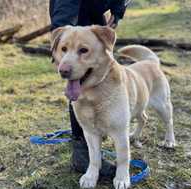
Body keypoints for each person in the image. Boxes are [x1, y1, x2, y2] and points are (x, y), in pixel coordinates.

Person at [49, 0, 130, 178]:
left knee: (101, 69)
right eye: (63, 50)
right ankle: (81, 147)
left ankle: (108, 123)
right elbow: (65, 6)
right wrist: (61, 33)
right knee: (78, 78)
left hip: (96, 11)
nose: (63, 67)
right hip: (70, 12)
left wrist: (117, 12)